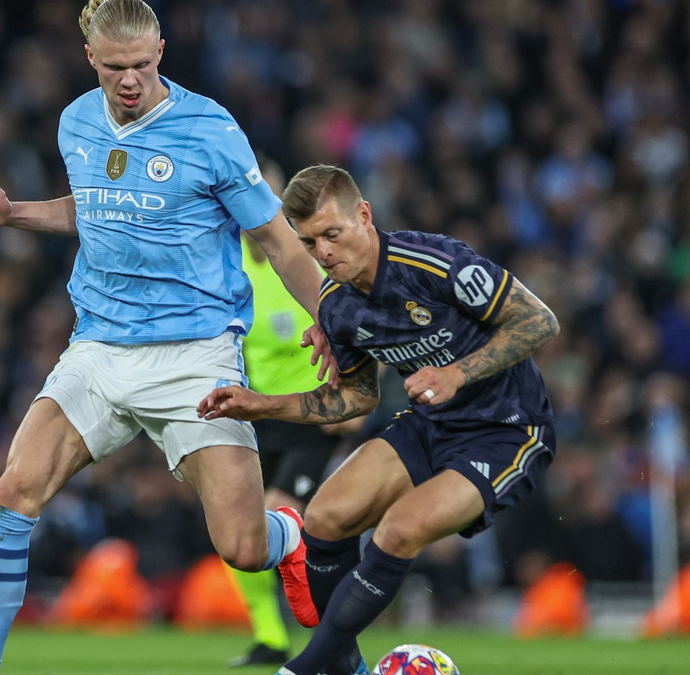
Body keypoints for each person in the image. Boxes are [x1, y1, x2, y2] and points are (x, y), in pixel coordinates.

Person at [0, 2, 331, 674]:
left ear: (160, 49)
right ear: (90, 57)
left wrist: (328, 317)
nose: (130, 81)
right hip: (97, 347)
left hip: (195, 354)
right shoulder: (75, 121)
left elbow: (275, 235)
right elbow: (91, 205)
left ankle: (287, 535)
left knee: (242, 545)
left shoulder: (210, 129)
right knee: (14, 490)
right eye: (116, 68)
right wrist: (12, 214)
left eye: (143, 65)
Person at [199, 165, 560, 675]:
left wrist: (457, 373)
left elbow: (539, 319)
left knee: (397, 531)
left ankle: (302, 669)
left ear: (364, 216)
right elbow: (356, 398)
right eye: (308, 243)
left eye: (332, 234)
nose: (322, 253)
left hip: (506, 429)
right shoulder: (337, 306)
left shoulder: (432, 262)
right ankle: (345, 668)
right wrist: (263, 404)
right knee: (323, 519)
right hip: (430, 424)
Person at [227, 159, 359, 668]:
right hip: (258, 414)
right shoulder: (229, 260)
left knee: (280, 511)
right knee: (237, 524)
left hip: (312, 413)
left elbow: (353, 325)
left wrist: (351, 396)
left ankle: (328, 632)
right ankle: (270, 636)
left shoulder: (309, 260)